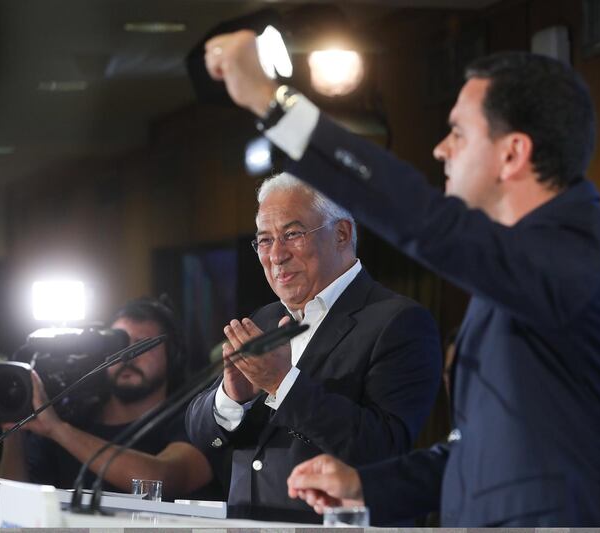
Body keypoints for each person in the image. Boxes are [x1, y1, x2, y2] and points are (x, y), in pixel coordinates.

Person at [201, 31, 600, 527]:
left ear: (513, 153)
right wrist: (365, 485)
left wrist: (275, 104)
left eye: (457, 132)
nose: (440, 149)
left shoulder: (580, 248)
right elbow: (479, 455)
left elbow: (426, 221)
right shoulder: (520, 269)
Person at [185, 173, 442, 523]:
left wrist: (281, 384)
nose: (276, 255)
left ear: (341, 234)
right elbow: (200, 435)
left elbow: (385, 450)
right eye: (264, 240)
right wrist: (232, 397)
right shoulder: (265, 318)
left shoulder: (399, 322)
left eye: (292, 234)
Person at [0, 297, 216, 500]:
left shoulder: (194, 420)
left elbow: (162, 480)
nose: (129, 354)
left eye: (143, 345)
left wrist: (58, 430)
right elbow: (15, 500)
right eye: (118, 344)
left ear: (173, 357)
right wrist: (13, 431)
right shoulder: (73, 414)